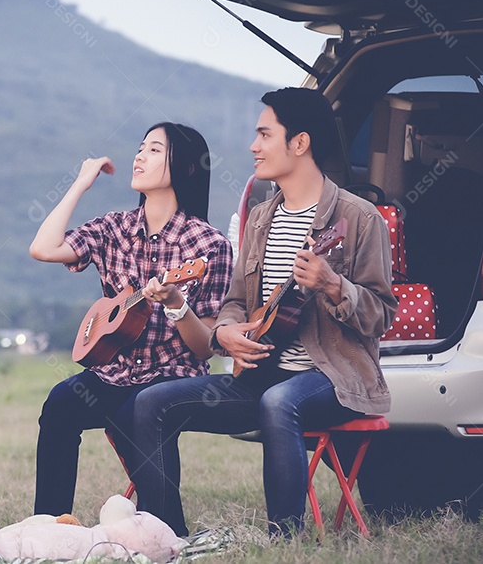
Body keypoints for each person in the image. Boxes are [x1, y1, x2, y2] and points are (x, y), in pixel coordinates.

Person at [121, 87, 397, 538]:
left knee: (280, 402)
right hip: (260, 375)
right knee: (151, 401)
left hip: (336, 378)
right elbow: (234, 301)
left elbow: (382, 314)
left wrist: (333, 283)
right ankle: (170, 537)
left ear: (300, 143)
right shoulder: (261, 218)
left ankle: (284, 538)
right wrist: (225, 332)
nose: (254, 146)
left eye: (264, 135)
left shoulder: (359, 217)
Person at [28, 122, 234, 517]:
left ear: (187, 168)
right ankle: (49, 525)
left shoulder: (209, 245)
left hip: (172, 378)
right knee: (59, 404)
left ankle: (168, 528)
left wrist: (176, 302)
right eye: (141, 148)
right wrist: (81, 182)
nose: (139, 156)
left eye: (154, 150)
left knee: (139, 410)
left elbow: (206, 345)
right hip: (114, 373)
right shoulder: (114, 228)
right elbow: (43, 247)